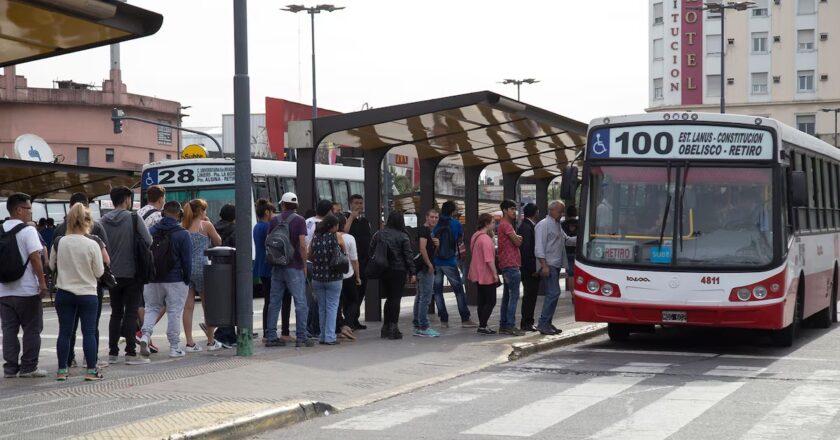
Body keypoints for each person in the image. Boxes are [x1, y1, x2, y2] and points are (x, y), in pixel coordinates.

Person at [53, 192, 112, 367]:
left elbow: (51, 265)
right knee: (89, 332)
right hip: (88, 292)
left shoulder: (59, 238)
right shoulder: (94, 241)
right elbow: (100, 270)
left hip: (64, 292)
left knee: (65, 332)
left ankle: (64, 367)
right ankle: (91, 367)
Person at [101, 186, 152, 365]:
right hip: (132, 272)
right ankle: (130, 353)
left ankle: (113, 353)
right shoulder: (133, 217)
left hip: (112, 274)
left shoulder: (103, 220)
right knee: (131, 313)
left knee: (115, 313)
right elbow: (148, 240)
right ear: (126, 200)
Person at [0, 193, 49, 378]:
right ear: (19, 210)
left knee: (9, 331)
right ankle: (29, 367)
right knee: (32, 329)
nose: (30, 212)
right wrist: (42, 283)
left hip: (4, 291)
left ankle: (10, 368)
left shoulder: (0, 230)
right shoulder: (28, 231)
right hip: (27, 290)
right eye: (28, 208)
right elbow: (35, 257)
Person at [138, 201, 192, 359]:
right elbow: (187, 261)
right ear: (179, 214)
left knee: (152, 308)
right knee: (174, 311)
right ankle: (174, 347)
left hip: (152, 278)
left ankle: (145, 336)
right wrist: (186, 280)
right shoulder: (182, 234)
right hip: (175, 279)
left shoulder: (151, 231)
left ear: (163, 213)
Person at [265, 193, 314, 348]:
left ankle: (271, 336)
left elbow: (269, 241)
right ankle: (301, 337)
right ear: (296, 205)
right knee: (300, 302)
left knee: (274, 302)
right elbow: (302, 245)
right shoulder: (299, 220)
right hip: (294, 267)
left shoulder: (274, 220)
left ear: (283, 204)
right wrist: (304, 265)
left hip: (278, 266)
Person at [181, 199, 223, 352]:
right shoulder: (206, 225)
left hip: (186, 268)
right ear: (200, 211)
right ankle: (211, 342)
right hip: (203, 267)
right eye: (204, 210)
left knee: (188, 307)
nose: (206, 213)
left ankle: (189, 343)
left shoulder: (183, 226)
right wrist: (209, 222)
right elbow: (218, 241)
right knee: (207, 306)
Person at [371, 211, 416, 340]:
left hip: (383, 270)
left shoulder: (378, 234)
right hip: (399, 270)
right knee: (395, 298)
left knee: (389, 299)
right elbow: (408, 256)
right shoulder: (403, 236)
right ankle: (393, 328)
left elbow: (371, 251)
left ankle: (385, 327)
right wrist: (412, 272)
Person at [432, 201, 477, 328]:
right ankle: (465, 319)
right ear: (452, 212)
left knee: (438, 291)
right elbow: (459, 239)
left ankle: (444, 321)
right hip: (450, 261)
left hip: (436, 262)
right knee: (458, 290)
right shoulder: (456, 224)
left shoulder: (436, 223)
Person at [534, 200, 576, 336]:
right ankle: (543, 322)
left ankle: (547, 322)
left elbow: (567, 240)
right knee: (553, 293)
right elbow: (539, 247)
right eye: (560, 211)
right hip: (549, 264)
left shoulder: (557, 225)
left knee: (553, 293)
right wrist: (544, 265)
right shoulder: (543, 225)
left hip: (556, 264)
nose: (562, 214)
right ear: (552, 210)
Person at [253, 200, 290, 342]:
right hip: (271, 267)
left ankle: (265, 332)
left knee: (268, 301)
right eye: (272, 212)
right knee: (279, 300)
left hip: (261, 267)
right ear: (267, 212)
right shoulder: (268, 226)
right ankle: (280, 332)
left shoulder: (257, 226)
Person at [135, 185, 166, 354]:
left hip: (137, 261)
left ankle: (146, 336)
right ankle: (144, 332)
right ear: (161, 198)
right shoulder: (158, 216)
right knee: (161, 301)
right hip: (152, 262)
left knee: (142, 300)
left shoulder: (138, 213)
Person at [308, 215, 346, 345]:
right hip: (334, 278)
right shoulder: (336, 236)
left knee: (322, 307)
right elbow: (344, 251)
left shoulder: (316, 237)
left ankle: (322, 336)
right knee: (332, 307)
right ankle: (330, 337)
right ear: (333, 226)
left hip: (317, 277)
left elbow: (309, 255)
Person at [304, 199, 334, 338]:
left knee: (308, 297)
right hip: (319, 264)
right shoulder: (324, 225)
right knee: (319, 299)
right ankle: (315, 328)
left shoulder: (307, 221)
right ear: (328, 211)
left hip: (306, 262)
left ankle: (307, 326)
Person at [344, 194, 372, 331]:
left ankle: (355, 319)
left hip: (364, 261)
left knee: (361, 292)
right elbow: (343, 233)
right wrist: (351, 218)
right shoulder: (345, 217)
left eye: (361, 203)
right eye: (356, 203)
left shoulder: (365, 221)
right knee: (351, 293)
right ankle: (348, 320)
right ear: (350, 204)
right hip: (350, 261)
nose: (359, 206)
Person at [497, 200, 525, 336]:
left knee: (507, 297)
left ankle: (503, 324)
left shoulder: (503, 225)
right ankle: (510, 325)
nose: (514, 212)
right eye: (512, 209)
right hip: (512, 265)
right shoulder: (506, 225)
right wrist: (519, 238)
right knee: (514, 296)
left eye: (515, 209)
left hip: (506, 265)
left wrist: (517, 238)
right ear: (504, 210)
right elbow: (517, 242)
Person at [468, 213, 499, 335]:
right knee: (491, 301)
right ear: (486, 224)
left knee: (482, 300)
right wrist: (495, 274)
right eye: (492, 222)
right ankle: (482, 325)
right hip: (486, 274)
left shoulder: (475, 236)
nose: (494, 224)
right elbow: (489, 259)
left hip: (477, 272)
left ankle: (483, 325)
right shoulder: (485, 239)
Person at [412, 208, 440, 337]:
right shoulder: (424, 231)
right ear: (426, 217)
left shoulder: (428, 232)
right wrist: (429, 264)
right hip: (424, 268)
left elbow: (427, 249)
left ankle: (418, 325)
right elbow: (422, 248)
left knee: (420, 297)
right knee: (425, 298)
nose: (434, 219)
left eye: (436, 217)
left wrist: (436, 245)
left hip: (422, 268)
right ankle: (423, 326)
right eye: (432, 217)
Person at [212, 204, 237, 346]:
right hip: (231, 267)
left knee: (222, 301)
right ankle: (224, 334)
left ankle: (224, 332)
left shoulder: (214, 227)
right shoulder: (234, 229)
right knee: (232, 301)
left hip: (216, 268)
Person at [335, 215, 359, 340]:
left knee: (337, 302)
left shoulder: (329, 236)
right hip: (348, 274)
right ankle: (348, 325)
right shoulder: (350, 238)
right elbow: (354, 259)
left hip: (334, 275)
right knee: (353, 300)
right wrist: (358, 276)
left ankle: (338, 326)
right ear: (344, 224)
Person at [517, 203, 540, 332]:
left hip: (529, 267)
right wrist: (534, 269)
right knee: (529, 296)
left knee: (531, 295)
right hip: (529, 269)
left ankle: (528, 321)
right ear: (535, 212)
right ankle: (527, 322)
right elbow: (526, 251)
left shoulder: (528, 226)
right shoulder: (526, 227)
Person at [561, 205, 579, 283]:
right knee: (579, 273)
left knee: (570, 274)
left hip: (567, 251)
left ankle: (572, 293)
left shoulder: (562, 224)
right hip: (578, 252)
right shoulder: (581, 223)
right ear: (576, 213)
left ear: (567, 214)